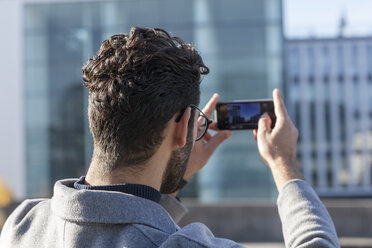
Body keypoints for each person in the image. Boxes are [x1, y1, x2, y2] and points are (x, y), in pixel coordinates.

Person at [0, 27, 339, 248]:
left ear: (97, 117)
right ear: (185, 126)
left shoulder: (22, 225)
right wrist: (285, 166)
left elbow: (120, 223)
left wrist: (172, 173)